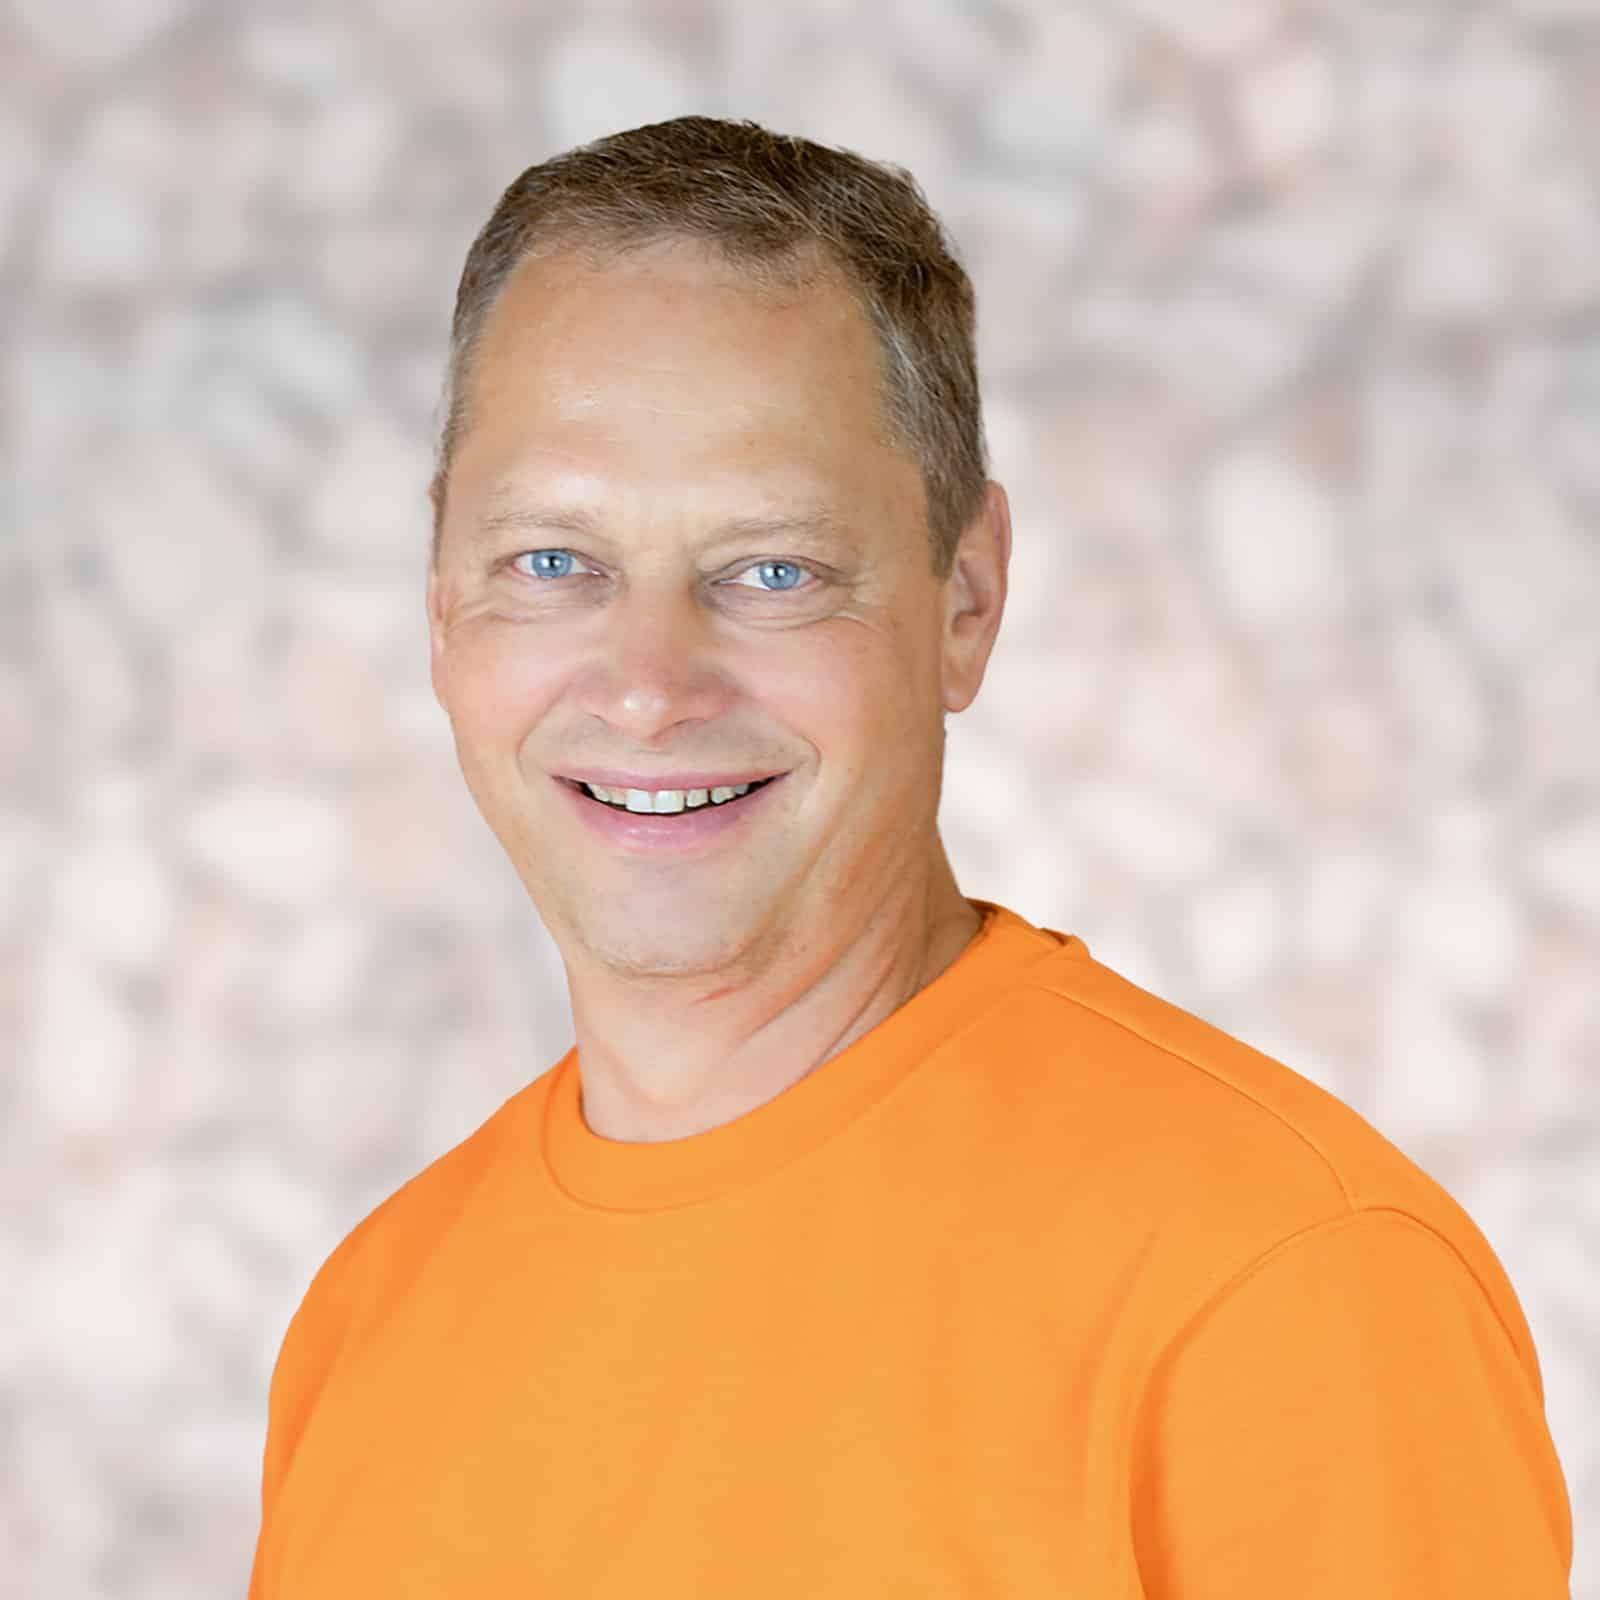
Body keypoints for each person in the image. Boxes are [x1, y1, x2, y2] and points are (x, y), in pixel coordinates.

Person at [248, 117, 1573, 1597]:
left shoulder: (1279, 1289)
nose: (647, 688)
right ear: (442, 600)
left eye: (774, 570)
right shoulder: (367, 1329)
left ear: (967, 601)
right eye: (553, 561)